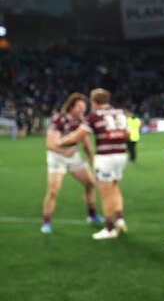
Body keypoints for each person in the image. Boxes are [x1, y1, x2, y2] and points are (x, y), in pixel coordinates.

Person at [60, 88, 129, 240]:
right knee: (116, 187)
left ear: (94, 102)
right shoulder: (120, 112)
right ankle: (120, 219)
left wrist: (61, 141)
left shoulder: (94, 116)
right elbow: (128, 134)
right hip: (121, 155)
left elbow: (77, 137)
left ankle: (110, 229)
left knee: (105, 195)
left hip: (105, 157)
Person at [41, 92, 102, 234]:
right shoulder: (59, 119)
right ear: (72, 106)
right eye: (80, 106)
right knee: (53, 190)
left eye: (85, 106)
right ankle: (46, 222)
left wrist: (91, 157)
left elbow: (85, 140)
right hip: (57, 157)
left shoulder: (82, 120)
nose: (83, 109)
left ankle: (92, 215)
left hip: (73, 156)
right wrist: (64, 153)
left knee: (90, 184)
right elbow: (50, 144)